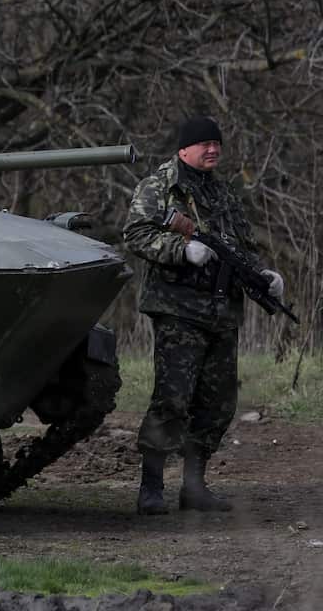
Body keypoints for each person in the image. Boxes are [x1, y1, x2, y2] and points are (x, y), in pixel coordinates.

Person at [122, 115, 285, 516]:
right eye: (203, 144)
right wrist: (181, 250)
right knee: (172, 399)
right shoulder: (160, 186)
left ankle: (194, 486)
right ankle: (151, 488)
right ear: (183, 149)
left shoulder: (222, 193)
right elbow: (135, 233)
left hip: (221, 313)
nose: (212, 149)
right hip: (178, 310)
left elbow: (242, 244)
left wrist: (262, 275)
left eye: (217, 143)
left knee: (217, 404)